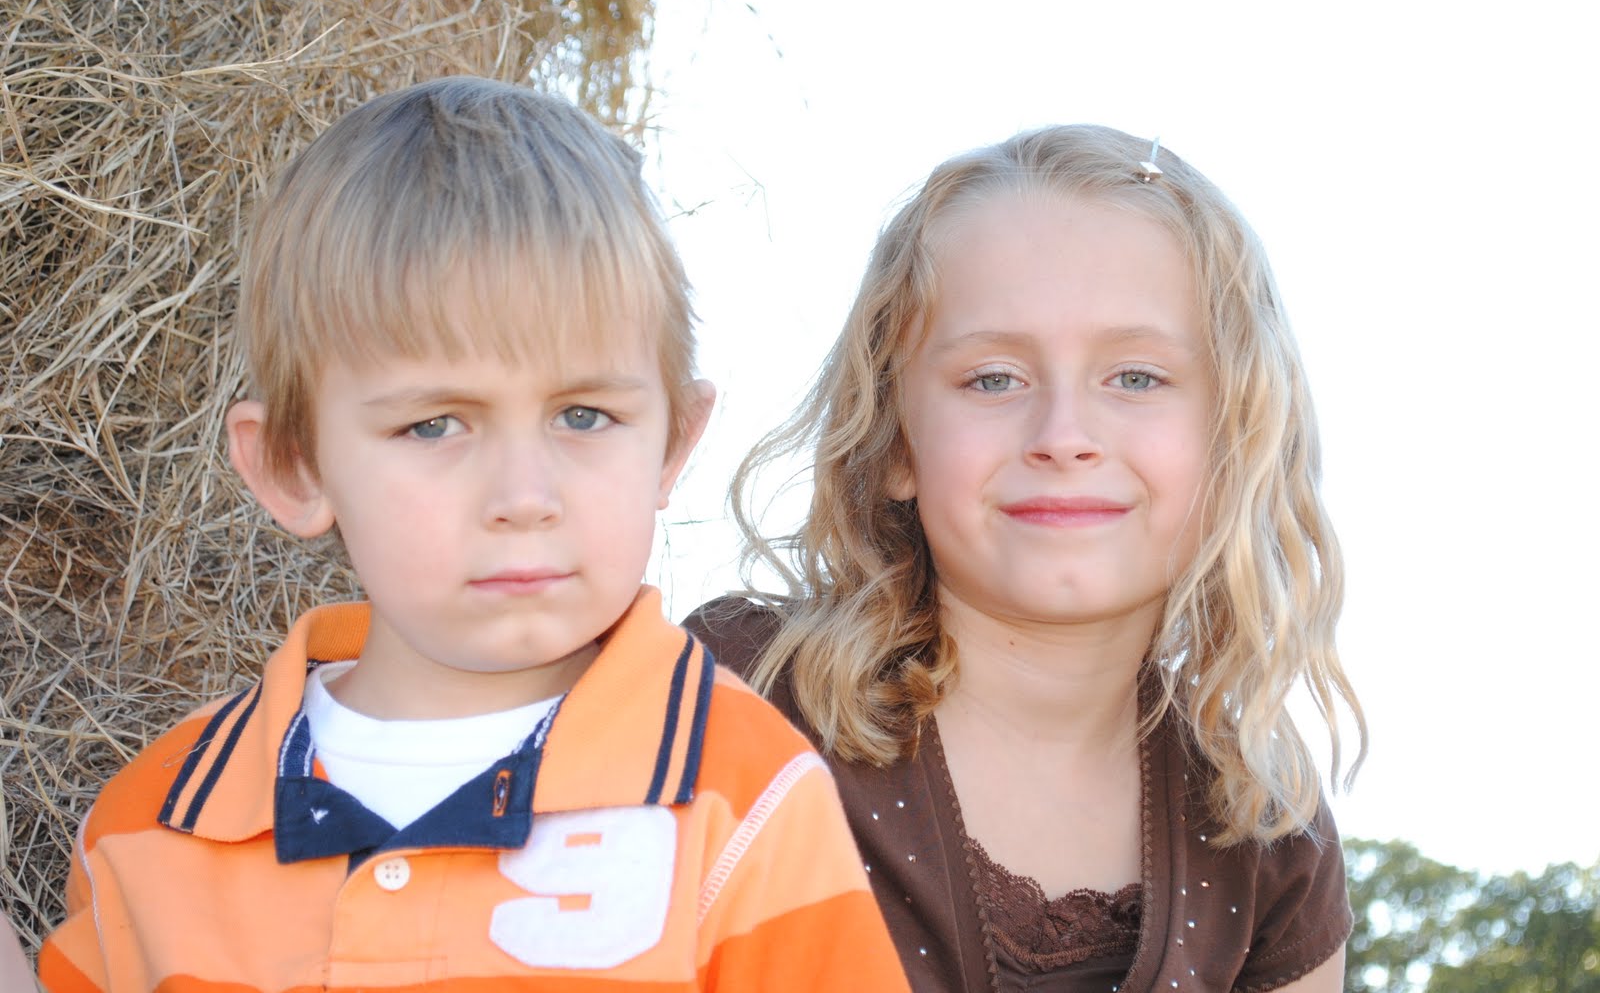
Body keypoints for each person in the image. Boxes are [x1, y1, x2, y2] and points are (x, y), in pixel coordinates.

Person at [39, 78, 907, 993]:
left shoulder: (745, 798)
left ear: (672, 444)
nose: (524, 496)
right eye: (434, 425)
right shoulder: (149, 824)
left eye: (583, 415)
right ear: (294, 465)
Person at [685, 126, 1367, 993]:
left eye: (1136, 377)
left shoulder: (1268, 840)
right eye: (995, 378)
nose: (1063, 436)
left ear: (1236, 436)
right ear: (896, 440)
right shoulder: (730, 698)